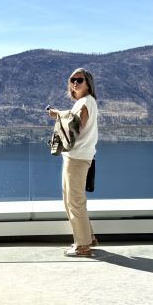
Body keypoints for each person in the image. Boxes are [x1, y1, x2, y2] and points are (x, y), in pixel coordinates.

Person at [46, 68, 98, 257]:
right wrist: (60, 114)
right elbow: (74, 119)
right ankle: (87, 237)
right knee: (74, 200)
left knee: (73, 201)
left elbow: (77, 126)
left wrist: (58, 116)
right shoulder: (85, 102)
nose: (75, 83)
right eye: (72, 79)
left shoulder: (85, 103)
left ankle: (83, 246)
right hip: (77, 157)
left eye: (79, 79)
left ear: (88, 83)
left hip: (77, 158)